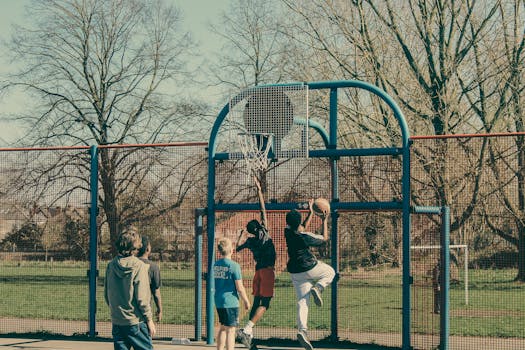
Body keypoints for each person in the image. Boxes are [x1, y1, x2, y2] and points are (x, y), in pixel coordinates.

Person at [284, 201, 335, 350]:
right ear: (298, 222)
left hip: (295, 270)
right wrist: (325, 221)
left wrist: (311, 213)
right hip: (308, 266)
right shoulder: (304, 237)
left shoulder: (287, 231)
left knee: (302, 301)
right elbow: (324, 238)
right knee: (330, 272)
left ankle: (302, 330)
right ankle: (318, 288)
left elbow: (301, 227)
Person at [235, 175, 276, 348]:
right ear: (258, 226)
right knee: (265, 304)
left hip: (258, 272)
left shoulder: (251, 241)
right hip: (267, 271)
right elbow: (263, 210)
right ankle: (247, 329)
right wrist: (259, 190)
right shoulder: (264, 232)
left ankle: (248, 332)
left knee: (258, 301)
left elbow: (236, 248)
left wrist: (240, 236)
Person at [104, 229, 156, 350]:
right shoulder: (139, 266)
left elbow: (107, 294)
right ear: (136, 247)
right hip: (135, 321)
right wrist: (149, 320)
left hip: (117, 321)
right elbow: (142, 298)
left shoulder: (111, 265)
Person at [214, 237, 251, 350]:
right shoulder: (234, 266)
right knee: (231, 330)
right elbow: (239, 287)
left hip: (219, 300)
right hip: (230, 301)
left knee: (223, 327)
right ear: (232, 250)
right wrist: (246, 301)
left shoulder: (216, 265)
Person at [137, 235, 163, 322]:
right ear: (148, 249)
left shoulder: (130, 264)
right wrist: (160, 310)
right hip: (145, 311)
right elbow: (156, 292)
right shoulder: (153, 267)